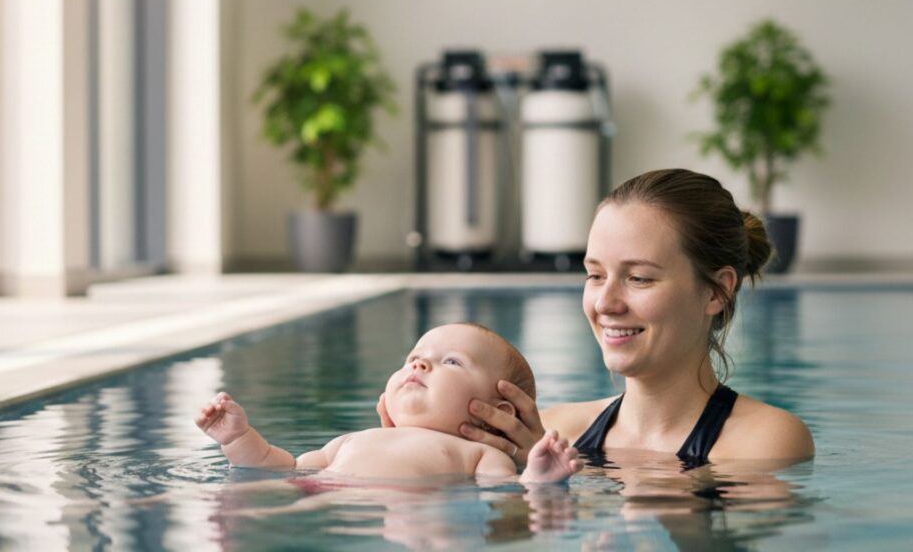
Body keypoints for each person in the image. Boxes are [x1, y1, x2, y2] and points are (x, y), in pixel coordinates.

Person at [446, 169, 815, 466]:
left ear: (716, 291)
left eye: (638, 278)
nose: (606, 303)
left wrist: (564, 490)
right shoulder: (553, 431)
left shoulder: (765, 441)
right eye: (595, 275)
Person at [196, 322, 582, 483]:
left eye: (450, 362)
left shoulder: (477, 455)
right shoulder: (352, 440)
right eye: (414, 357)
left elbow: (507, 494)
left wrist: (538, 477)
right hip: (318, 497)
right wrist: (238, 438)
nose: (419, 363)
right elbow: (280, 468)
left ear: (498, 414)